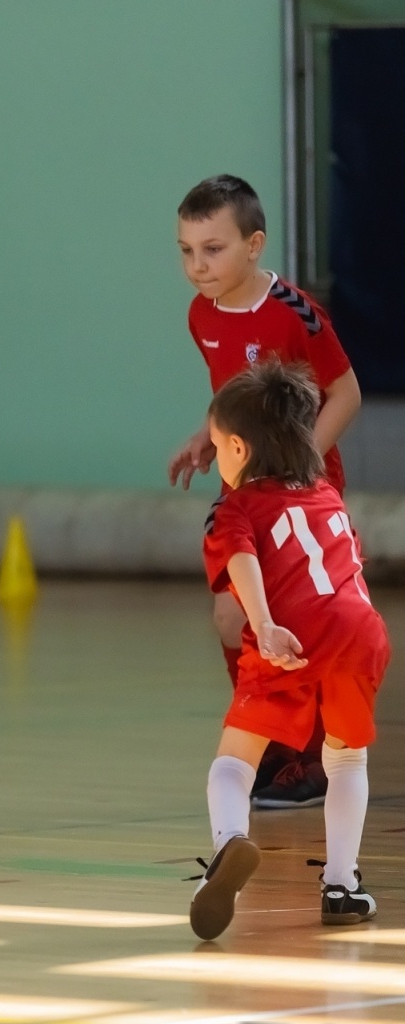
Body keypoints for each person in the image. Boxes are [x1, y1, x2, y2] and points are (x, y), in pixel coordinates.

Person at [170, 174, 363, 809]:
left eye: (213, 249)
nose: (199, 266)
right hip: (246, 494)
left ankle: (308, 758)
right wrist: (208, 433)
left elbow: (346, 393)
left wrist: (299, 465)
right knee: (234, 617)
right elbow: (236, 398)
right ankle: (274, 744)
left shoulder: (296, 312)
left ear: (254, 245)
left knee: (296, 619)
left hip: (302, 498)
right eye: (187, 250)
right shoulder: (202, 316)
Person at [188, 359, 388, 940]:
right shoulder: (327, 494)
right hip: (360, 630)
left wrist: (266, 622)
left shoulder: (236, 507)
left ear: (239, 450)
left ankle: (228, 847)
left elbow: (242, 557)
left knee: (233, 764)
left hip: (294, 632)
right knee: (346, 758)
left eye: (219, 446)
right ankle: (343, 887)